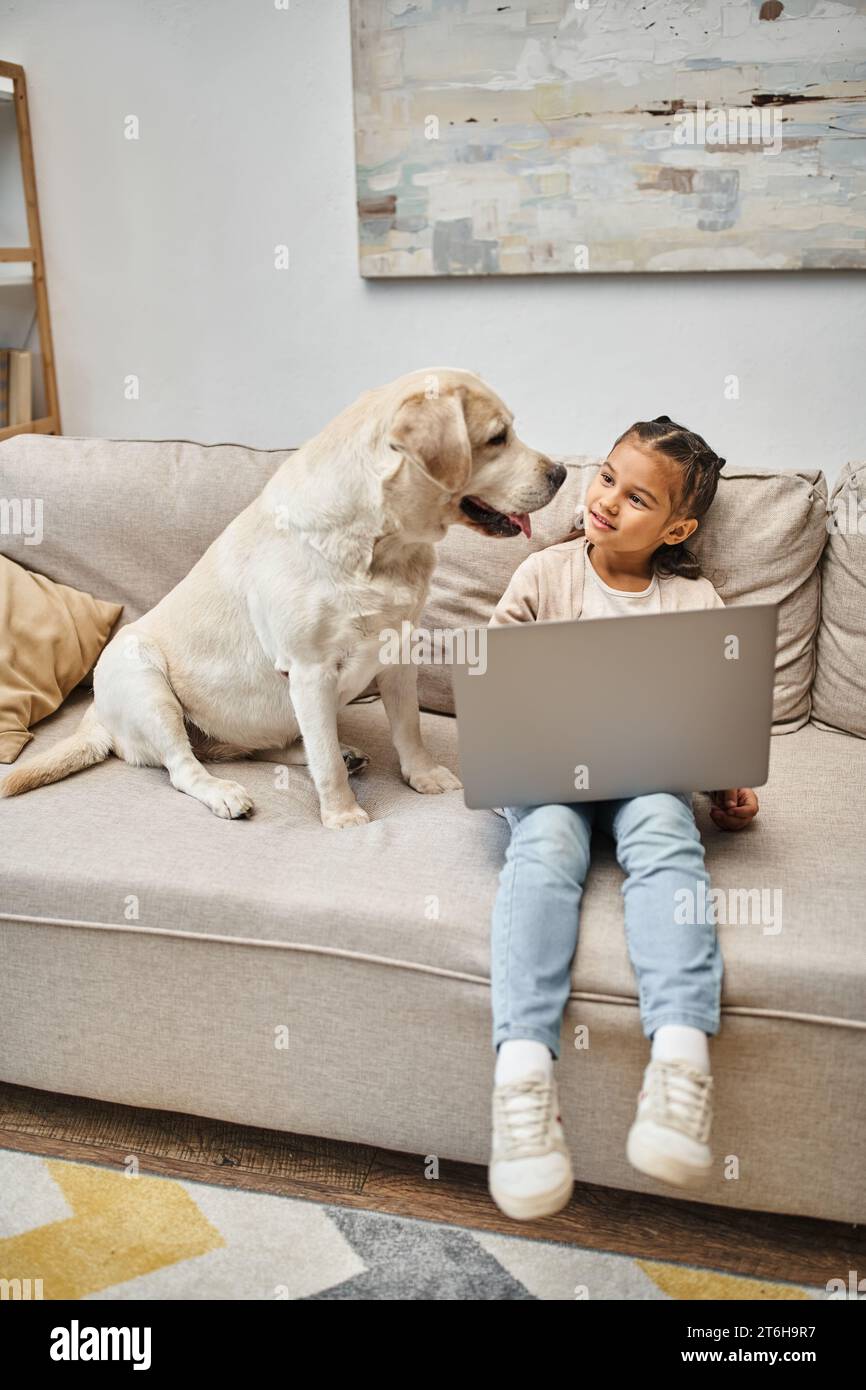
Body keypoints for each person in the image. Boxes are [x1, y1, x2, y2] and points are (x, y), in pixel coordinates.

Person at [487, 415, 760, 1221]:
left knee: (666, 834)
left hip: (646, 775)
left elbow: (711, 716)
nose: (607, 500)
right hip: (545, 771)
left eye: (637, 497)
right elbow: (497, 689)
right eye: (606, 477)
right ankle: (523, 1079)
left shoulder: (693, 599)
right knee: (544, 844)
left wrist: (725, 786)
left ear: (677, 527)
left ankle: (679, 1066)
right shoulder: (542, 574)